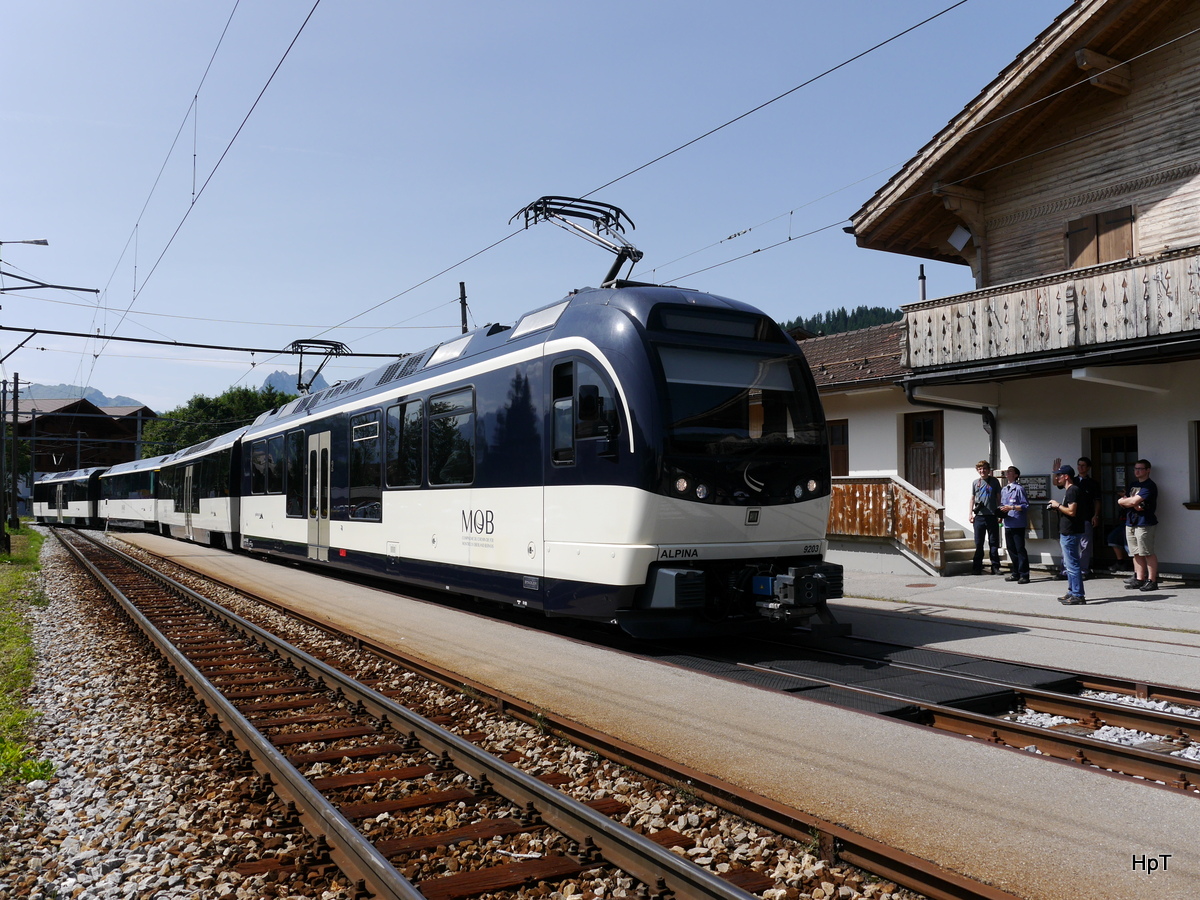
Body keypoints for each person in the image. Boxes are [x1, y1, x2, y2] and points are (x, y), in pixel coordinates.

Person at [1118, 458, 1159, 592]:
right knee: (1135, 552)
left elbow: (1132, 501)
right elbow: (1124, 501)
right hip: (1131, 521)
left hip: (1144, 522)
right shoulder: (1133, 484)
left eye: (1140, 469)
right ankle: (1139, 578)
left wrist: (1130, 502)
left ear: (1148, 470)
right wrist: (1128, 502)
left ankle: (1152, 581)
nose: (1137, 471)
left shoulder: (1149, 486)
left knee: (1147, 552)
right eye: (1135, 468)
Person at [1049, 463, 1086, 604]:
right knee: (1069, 564)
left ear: (1066, 476)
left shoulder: (1072, 490)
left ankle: (1078, 594)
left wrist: (1057, 505)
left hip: (1071, 532)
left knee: (1072, 564)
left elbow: (1072, 511)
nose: (1056, 477)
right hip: (1068, 531)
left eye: (1059, 475)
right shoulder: (1071, 490)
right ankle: (1072, 591)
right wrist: (1058, 508)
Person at [968, 460, 1001, 575]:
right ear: (978, 470)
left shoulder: (994, 481)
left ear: (988, 470)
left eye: (984, 468)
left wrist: (1000, 513)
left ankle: (995, 567)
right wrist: (970, 514)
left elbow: (998, 497)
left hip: (992, 516)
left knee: (993, 543)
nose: (982, 471)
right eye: (980, 469)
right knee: (979, 543)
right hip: (979, 517)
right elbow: (972, 498)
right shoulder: (975, 482)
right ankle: (977, 567)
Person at [999, 465, 1030, 583]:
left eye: (1010, 471)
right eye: (1007, 471)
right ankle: (1015, 572)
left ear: (1016, 475)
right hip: (1008, 523)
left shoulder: (1019, 489)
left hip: (1018, 523)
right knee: (1011, 549)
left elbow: (1025, 506)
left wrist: (1012, 507)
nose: (1008, 473)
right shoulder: (1004, 489)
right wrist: (1000, 513)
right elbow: (1002, 504)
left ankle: (1024, 574)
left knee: (1020, 549)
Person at [1074, 456, 1100, 575]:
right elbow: (1057, 483)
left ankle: (1084, 570)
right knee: (1070, 544)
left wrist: (1096, 515)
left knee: (1085, 545)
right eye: (1079, 465)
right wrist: (1056, 472)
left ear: (1088, 468)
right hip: (1072, 518)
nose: (1080, 467)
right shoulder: (1072, 481)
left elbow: (1097, 500)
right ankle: (1067, 570)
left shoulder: (1093, 483)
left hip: (1086, 517)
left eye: (1083, 465)